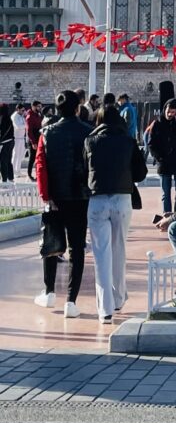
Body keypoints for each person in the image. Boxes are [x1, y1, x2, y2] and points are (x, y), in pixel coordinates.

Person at [84, 105, 147, 323]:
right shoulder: (128, 141)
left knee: (101, 254)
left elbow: (82, 170)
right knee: (119, 248)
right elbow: (141, 173)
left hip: (97, 199)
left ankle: (105, 309)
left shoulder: (89, 141)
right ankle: (119, 298)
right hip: (122, 199)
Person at [34, 90, 91, 317]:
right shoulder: (88, 132)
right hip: (80, 196)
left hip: (55, 197)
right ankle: (71, 301)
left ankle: (48, 292)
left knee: (51, 244)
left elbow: (40, 166)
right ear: (78, 108)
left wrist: (45, 196)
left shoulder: (46, 133)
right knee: (77, 248)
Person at [149, 98, 176, 214]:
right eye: (168, 111)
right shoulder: (157, 123)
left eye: (173, 112)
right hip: (164, 164)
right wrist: (159, 158)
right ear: (164, 109)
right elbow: (151, 144)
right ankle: (166, 215)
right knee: (165, 194)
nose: (170, 114)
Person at [25, 101, 44, 180]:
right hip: (33, 140)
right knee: (32, 158)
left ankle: (38, 174)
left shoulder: (38, 115)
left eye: (40, 106)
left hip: (38, 138)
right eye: (38, 106)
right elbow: (29, 131)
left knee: (38, 157)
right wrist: (33, 143)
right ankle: (29, 174)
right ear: (33, 107)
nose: (40, 108)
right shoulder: (29, 116)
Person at [11, 103, 26, 177]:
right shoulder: (14, 116)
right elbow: (18, 126)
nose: (23, 111)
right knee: (15, 155)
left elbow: (24, 125)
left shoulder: (22, 116)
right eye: (22, 110)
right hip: (16, 138)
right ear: (18, 109)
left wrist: (25, 125)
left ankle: (18, 170)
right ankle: (13, 171)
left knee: (21, 155)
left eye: (24, 110)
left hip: (22, 138)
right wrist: (26, 125)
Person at [0, 104, 14, 181]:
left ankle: (4, 179)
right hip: (11, 141)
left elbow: (2, 131)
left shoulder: (3, 118)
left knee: (3, 161)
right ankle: (11, 178)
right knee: (8, 161)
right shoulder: (8, 118)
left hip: (5, 142)